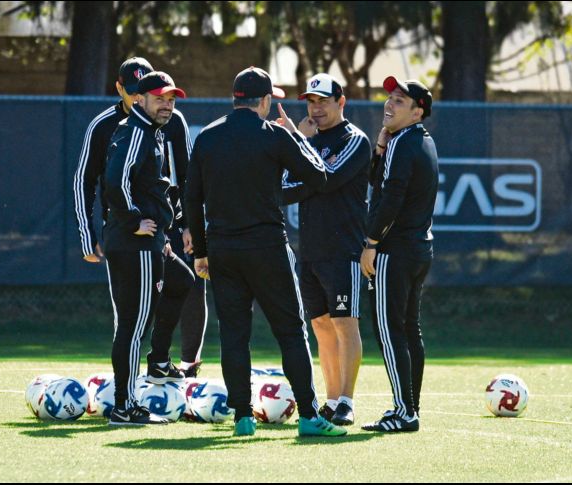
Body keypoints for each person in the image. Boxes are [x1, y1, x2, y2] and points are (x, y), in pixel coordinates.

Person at [184, 66, 347, 438]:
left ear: (235, 99)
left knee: (234, 335)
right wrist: (297, 136)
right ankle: (309, 415)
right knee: (290, 332)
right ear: (266, 101)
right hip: (267, 248)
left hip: (223, 250)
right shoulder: (275, 135)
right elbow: (319, 176)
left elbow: (192, 199)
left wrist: (201, 253)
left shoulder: (207, 136)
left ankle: (243, 417)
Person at [72, 57, 205, 386]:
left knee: (183, 282)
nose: (138, 98)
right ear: (121, 89)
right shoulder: (112, 126)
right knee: (130, 318)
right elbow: (90, 181)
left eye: (162, 96)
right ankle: (125, 395)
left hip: (161, 228)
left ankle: (162, 361)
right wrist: (91, 234)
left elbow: (186, 176)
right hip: (129, 232)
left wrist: (188, 224)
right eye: (133, 92)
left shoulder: (168, 120)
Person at [101, 70, 192, 426]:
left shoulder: (150, 131)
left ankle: (158, 361)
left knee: (181, 280)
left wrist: (161, 235)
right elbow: (115, 181)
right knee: (133, 326)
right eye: (159, 99)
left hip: (150, 241)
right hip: (134, 243)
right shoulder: (136, 131)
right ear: (139, 99)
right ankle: (125, 406)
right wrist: (134, 220)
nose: (167, 105)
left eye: (170, 100)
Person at [281, 73, 371, 426]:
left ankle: (347, 400)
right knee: (320, 324)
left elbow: (328, 177)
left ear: (341, 102)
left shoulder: (354, 140)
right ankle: (331, 400)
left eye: (323, 101)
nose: (316, 109)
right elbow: (285, 188)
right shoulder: (309, 141)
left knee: (345, 323)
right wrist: (301, 145)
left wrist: (298, 142)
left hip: (343, 249)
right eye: (311, 102)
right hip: (310, 249)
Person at [360, 76, 439, 433]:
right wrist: (380, 146)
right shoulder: (422, 142)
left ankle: (404, 411)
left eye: (400, 101)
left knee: (390, 332)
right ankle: (411, 407)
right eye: (389, 98)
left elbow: (390, 199)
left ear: (417, 112)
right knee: (408, 329)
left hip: (394, 251)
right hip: (419, 249)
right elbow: (379, 182)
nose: (389, 105)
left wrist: (371, 243)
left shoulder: (403, 143)